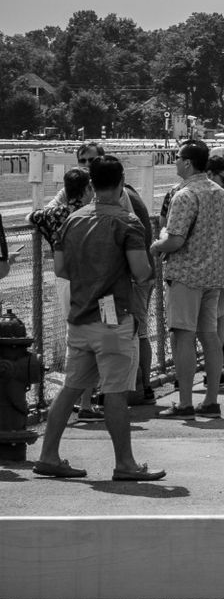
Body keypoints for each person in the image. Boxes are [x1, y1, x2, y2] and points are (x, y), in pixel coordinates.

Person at [32, 155, 165, 482]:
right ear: (121, 184)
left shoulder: (71, 221)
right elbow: (141, 271)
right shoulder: (127, 223)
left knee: (72, 387)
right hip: (110, 316)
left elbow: (61, 269)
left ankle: (48, 454)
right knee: (116, 390)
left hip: (80, 313)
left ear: (91, 184)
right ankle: (125, 462)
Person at [149, 139, 224, 420]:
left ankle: (185, 402)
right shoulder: (220, 192)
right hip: (214, 276)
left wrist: (157, 244)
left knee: (182, 337)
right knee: (210, 337)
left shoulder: (184, 195)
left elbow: (174, 240)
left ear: (186, 162)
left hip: (186, 274)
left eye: (177, 158)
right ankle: (211, 400)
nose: (174, 162)